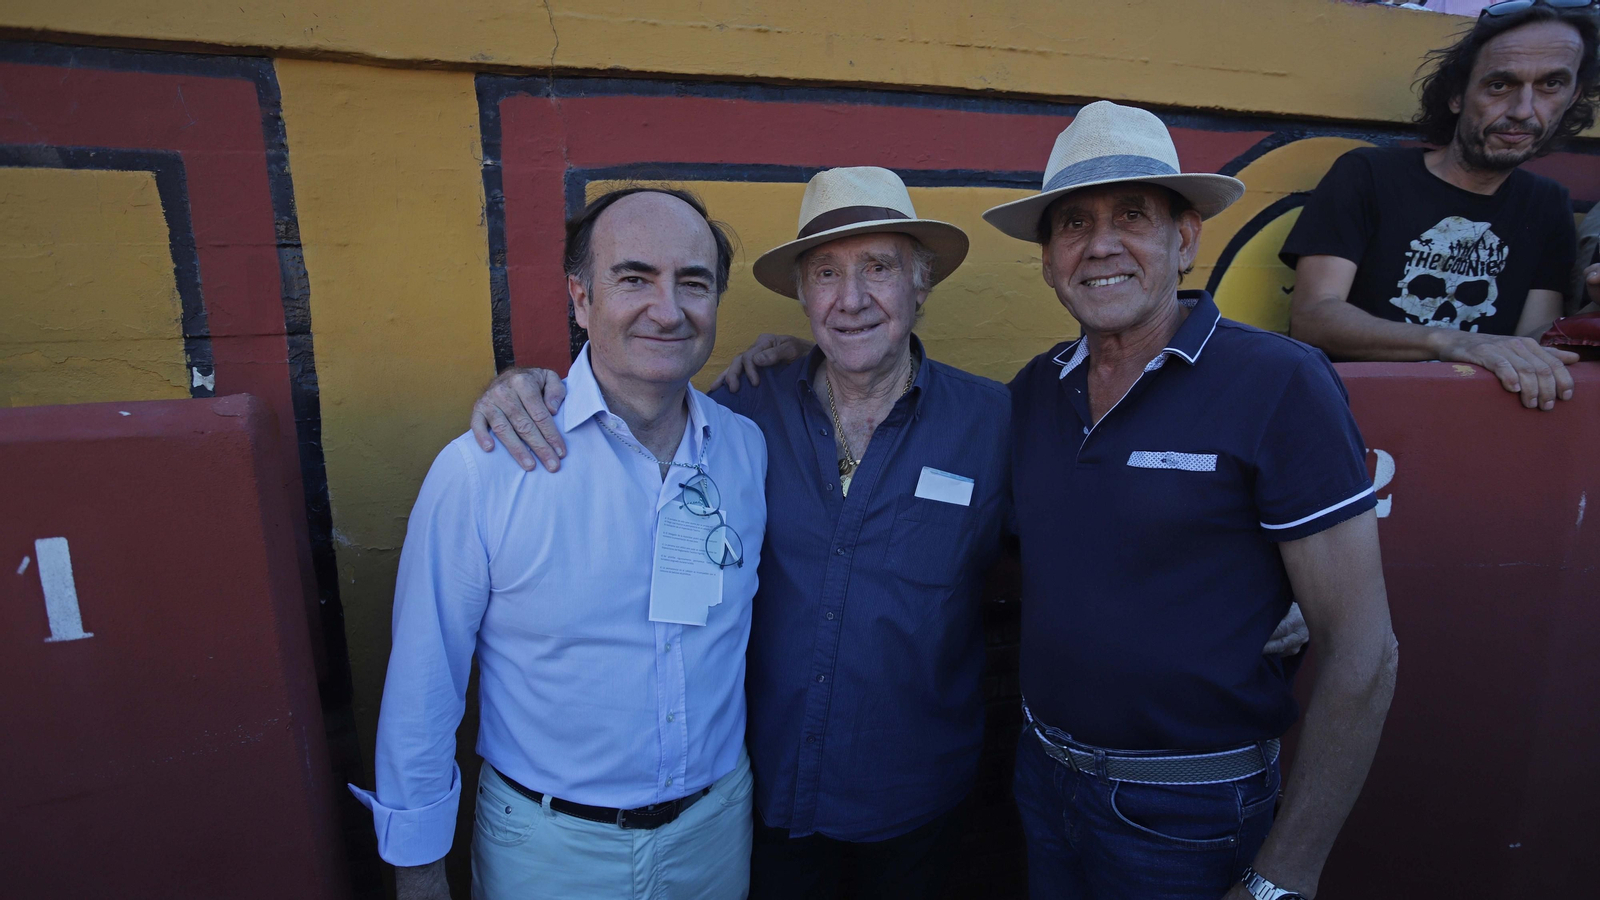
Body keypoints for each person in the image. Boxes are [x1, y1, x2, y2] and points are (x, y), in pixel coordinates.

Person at [469, 166, 1313, 899]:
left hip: (919, 799)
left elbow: (1103, 518)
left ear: (921, 286)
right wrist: (530, 385)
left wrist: (1259, 588)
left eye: (879, 268)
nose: (852, 297)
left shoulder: (1000, 418)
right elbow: (627, 409)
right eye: (827, 274)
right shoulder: (737, 413)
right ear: (802, 297)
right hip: (757, 798)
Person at [975, 100, 1399, 900]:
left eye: (1132, 216)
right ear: (1047, 258)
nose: (1100, 245)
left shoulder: (1279, 383)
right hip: (1042, 780)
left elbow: (1365, 653)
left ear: (1185, 238)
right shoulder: (1035, 391)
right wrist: (805, 368)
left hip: (1190, 813)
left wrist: (1286, 877)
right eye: (1072, 224)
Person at [348, 188, 766, 900]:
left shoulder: (748, 450)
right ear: (581, 298)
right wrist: (419, 875)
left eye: (692, 283)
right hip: (547, 853)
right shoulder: (482, 471)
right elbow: (424, 690)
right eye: (634, 278)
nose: (667, 310)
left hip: (715, 836)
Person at [1281, 0, 1599, 411]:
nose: (1523, 110)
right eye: (1499, 85)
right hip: (1348, 413)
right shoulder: (1368, 174)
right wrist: (1456, 342)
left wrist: (1593, 310)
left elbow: (1531, 343)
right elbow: (1313, 318)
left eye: (1550, 85)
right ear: (1456, 95)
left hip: (1473, 420)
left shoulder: (1547, 203)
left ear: (1573, 95)